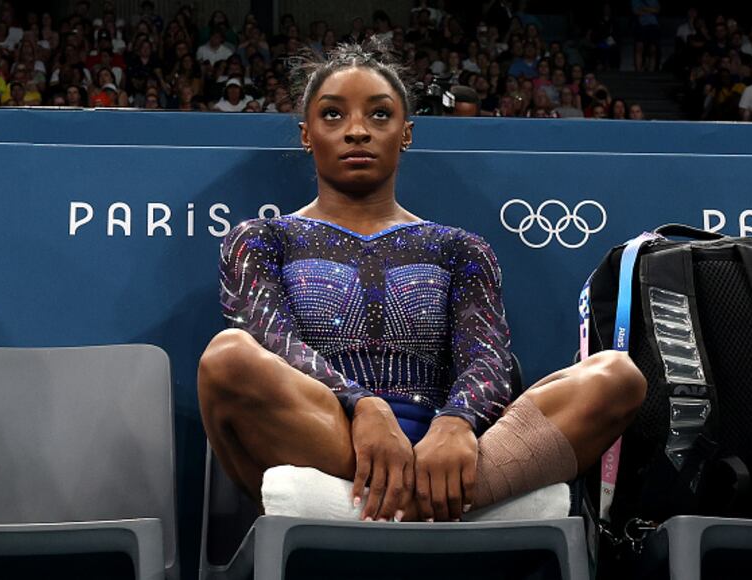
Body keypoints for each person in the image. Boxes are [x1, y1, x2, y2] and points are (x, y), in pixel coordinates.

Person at [198, 43, 646, 523]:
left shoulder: (459, 248)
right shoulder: (262, 239)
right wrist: (361, 405)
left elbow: (487, 362)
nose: (357, 130)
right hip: (330, 440)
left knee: (617, 377)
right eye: (333, 114)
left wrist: (457, 421)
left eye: (379, 114)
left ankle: (409, 499)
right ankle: (430, 504)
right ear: (307, 135)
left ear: (405, 133)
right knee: (228, 357)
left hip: (445, 449)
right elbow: (274, 342)